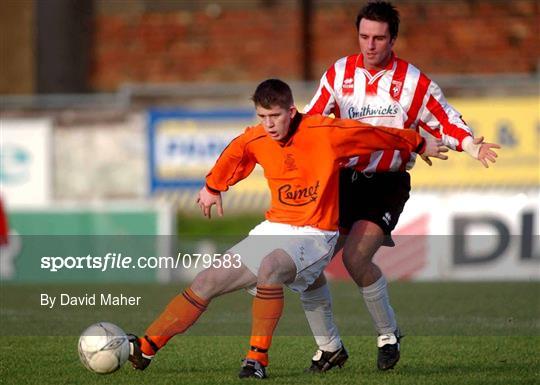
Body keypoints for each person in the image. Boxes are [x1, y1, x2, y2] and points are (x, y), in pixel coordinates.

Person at [127, 78, 447, 379]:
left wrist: (418, 143)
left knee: (271, 267)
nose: (269, 124)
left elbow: (372, 134)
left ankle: (256, 360)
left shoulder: (323, 131)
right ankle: (145, 348)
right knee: (207, 280)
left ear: (291, 111)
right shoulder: (258, 136)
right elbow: (236, 152)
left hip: (316, 233)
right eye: (262, 116)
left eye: (275, 116)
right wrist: (212, 186)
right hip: (274, 227)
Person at [300, 0, 501, 372]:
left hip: (386, 184)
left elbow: (446, 120)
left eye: (379, 38)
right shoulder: (339, 73)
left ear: (393, 39)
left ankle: (388, 334)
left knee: (355, 258)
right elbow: (312, 122)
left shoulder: (412, 82)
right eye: (364, 36)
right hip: (342, 182)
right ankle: (329, 347)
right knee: (307, 268)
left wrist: (470, 145)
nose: (370, 45)